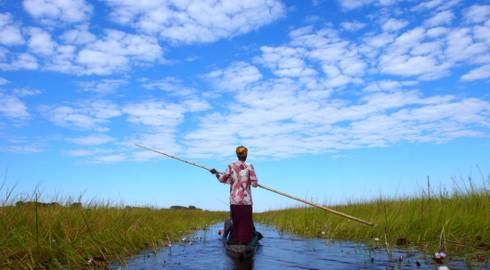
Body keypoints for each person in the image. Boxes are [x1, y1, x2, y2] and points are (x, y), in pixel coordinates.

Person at [210, 145, 258, 244]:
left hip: (235, 200)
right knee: (246, 223)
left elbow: (223, 179)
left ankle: (237, 241)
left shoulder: (231, 166)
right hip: (246, 201)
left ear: (237, 155)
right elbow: (254, 184)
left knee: (237, 222)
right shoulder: (249, 166)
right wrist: (251, 181)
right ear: (246, 155)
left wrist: (216, 174)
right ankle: (245, 242)